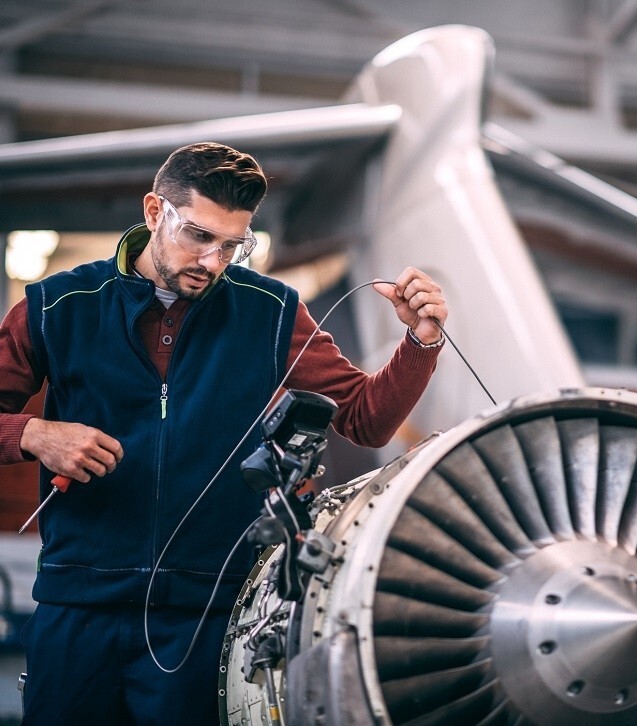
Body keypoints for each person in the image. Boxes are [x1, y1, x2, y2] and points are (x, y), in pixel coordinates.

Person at [0, 142, 449, 724]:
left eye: (233, 245)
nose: (213, 261)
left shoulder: (271, 312)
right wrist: (34, 432)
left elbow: (366, 418)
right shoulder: (57, 305)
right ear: (155, 211)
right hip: (77, 605)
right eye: (199, 236)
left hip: (207, 614)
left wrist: (421, 343)